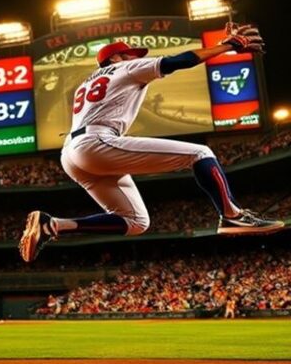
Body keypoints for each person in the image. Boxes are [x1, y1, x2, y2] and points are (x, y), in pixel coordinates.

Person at [19, 24, 284, 262]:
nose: (136, 58)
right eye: (129, 54)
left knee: (136, 222)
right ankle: (233, 216)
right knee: (200, 153)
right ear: (114, 57)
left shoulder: (84, 84)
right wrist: (228, 46)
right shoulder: (123, 67)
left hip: (73, 154)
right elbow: (176, 61)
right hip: (97, 142)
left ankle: (53, 225)